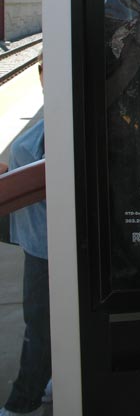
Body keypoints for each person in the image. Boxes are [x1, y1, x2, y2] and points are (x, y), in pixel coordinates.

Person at [0, 53, 50, 416]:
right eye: (42, 68)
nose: (44, 75)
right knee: (45, 321)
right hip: (37, 238)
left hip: (48, 246)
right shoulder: (53, 113)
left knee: (39, 325)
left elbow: (46, 175)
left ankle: (21, 404)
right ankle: (51, 378)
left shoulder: (62, 120)